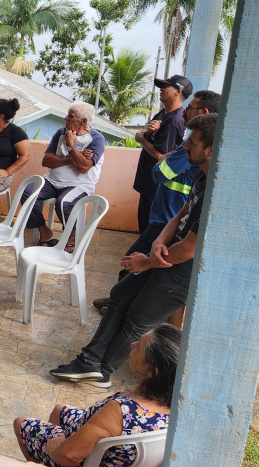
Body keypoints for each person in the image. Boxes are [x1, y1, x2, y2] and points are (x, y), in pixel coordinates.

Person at [50, 114, 216, 388]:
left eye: (193, 142)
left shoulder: (216, 191)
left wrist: (147, 262)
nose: (185, 146)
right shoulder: (202, 174)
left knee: (137, 319)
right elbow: (181, 213)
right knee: (120, 295)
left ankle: (103, 371)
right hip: (166, 252)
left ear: (210, 149)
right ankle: (89, 360)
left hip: (183, 270)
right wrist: (158, 241)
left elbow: (188, 249)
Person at [93, 90, 220, 315]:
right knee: (138, 263)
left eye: (190, 107)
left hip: (167, 217)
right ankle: (118, 304)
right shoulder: (190, 145)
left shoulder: (195, 147)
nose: (185, 111)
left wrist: (155, 150)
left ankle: (118, 307)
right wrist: (165, 154)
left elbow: (159, 173)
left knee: (133, 261)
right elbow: (165, 159)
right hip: (167, 215)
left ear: (205, 112)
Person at [15, 324, 179, 467]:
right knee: (59, 410)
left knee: (22, 423)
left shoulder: (122, 411)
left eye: (139, 347)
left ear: (152, 371)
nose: (132, 345)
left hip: (91, 461)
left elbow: (69, 456)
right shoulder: (174, 401)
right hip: (121, 456)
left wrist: (55, 449)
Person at [20, 102, 105, 251]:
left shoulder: (96, 139)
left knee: (64, 202)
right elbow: (46, 161)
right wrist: (73, 156)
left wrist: (71, 146)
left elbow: (84, 168)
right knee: (27, 192)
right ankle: (44, 231)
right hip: (52, 181)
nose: (65, 118)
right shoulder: (61, 132)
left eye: (70, 116)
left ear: (83, 120)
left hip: (79, 184)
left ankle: (72, 236)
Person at [132, 75, 191, 233]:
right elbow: (151, 138)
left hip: (155, 187)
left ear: (177, 92)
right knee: (144, 227)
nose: (161, 89)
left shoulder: (173, 120)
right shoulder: (163, 114)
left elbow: (162, 156)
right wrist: (148, 134)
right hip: (148, 184)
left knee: (148, 231)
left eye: (166, 86)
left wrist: (142, 140)